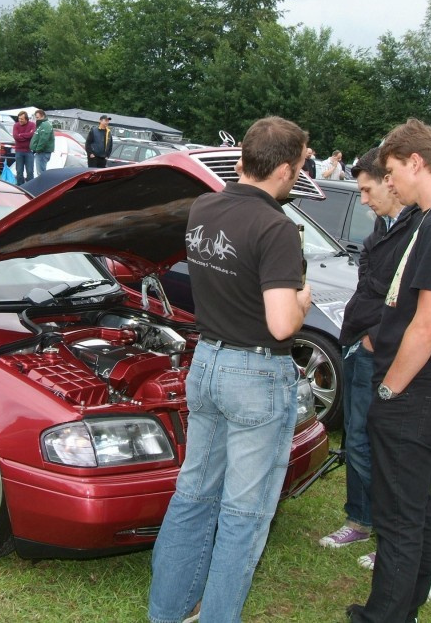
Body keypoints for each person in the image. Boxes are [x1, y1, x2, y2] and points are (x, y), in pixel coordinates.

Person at [148, 116, 312, 623]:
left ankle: (168, 612)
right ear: (284, 170)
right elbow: (282, 324)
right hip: (256, 373)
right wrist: (303, 300)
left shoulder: (204, 206)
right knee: (245, 513)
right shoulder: (276, 227)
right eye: (300, 166)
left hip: (208, 362)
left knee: (193, 494)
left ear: (243, 159)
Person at [346, 118, 431, 623]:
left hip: (414, 392)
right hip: (428, 389)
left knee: (398, 517)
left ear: (416, 163)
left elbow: (428, 324)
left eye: (392, 171)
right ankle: (407, 608)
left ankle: (384, 615)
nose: (390, 182)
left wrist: (388, 390)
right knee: (416, 507)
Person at [318, 148, 421, 559]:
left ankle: (390, 535)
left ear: (390, 181)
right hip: (359, 344)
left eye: (367, 190)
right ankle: (360, 520)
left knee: (380, 446)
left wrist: (375, 338)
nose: (362, 200)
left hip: (384, 352)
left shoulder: (420, 228)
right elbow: (369, 283)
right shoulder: (384, 226)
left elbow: (414, 298)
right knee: (356, 439)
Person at [12, 111, 36, 183]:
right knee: (19, 171)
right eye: (19, 118)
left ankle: (30, 186)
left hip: (29, 151)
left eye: (22, 119)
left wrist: (21, 135)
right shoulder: (16, 125)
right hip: (19, 151)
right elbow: (16, 136)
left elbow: (31, 135)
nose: (20, 120)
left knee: (30, 171)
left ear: (26, 119)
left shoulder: (32, 125)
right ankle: (20, 186)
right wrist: (26, 136)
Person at [31, 109, 54, 177]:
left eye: (38, 117)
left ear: (43, 116)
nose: (36, 119)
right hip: (41, 152)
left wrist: (38, 149)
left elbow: (44, 139)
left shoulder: (46, 125)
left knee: (41, 173)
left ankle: (43, 184)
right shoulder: (42, 124)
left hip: (42, 152)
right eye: (36, 117)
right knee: (40, 172)